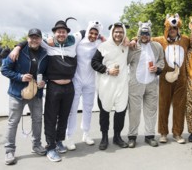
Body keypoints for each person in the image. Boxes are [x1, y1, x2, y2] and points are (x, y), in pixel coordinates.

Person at [11, 17, 82, 162]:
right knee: (51, 117)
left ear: (67, 33)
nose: (61, 34)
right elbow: (32, 40)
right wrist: (18, 46)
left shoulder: (73, 42)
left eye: (63, 32)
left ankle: (59, 141)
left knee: (64, 116)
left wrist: (101, 36)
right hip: (54, 87)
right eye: (58, 32)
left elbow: (86, 31)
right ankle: (50, 147)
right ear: (54, 33)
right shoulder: (47, 45)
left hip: (69, 87)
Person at [130, 14, 190, 144]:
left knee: (179, 107)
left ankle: (177, 133)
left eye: (175, 28)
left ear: (178, 29)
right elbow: (145, 36)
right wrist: (134, 39)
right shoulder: (160, 40)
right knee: (163, 106)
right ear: (167, 29)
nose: (172, 30)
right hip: (164, 77)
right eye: (170, 28)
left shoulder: (185, 40)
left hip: (181, 78)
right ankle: (163, 133)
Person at [1, 28, 48, 165]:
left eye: (37, 37)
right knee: (13, 122)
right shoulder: (18, 51)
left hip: (36, 93)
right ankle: (9, 150)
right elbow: (4, 69)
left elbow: (47, 73)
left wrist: (44, 80)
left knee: (37, 120)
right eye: (31, 37)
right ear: (27, 38)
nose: (34, 40)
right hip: (17, 93)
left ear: (40, 39)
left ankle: (36, 145)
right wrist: (20, 77)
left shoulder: (45, 54)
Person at [65, 21, 103, 150]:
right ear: (87, 32)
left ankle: (86, 134)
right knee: (73, 109)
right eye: (91, 33)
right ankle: (69, 137)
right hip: (77, 80)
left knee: (88, 108)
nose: (93, 35)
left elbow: (111, 42)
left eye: (95, 34)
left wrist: (103, 37)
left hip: (91, 81)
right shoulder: (78, 42)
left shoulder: (99, 43)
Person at [91, 22, 130, 150]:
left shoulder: (127, 45)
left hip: (122, 85)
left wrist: (133, 40)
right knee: (104, 112)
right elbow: (94, 62)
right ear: (112, 32)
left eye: (121, 32)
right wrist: (107, 70)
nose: (118, 34)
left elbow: (139, 40)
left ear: (124, 33)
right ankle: (104, 137)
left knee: (120, 112)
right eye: (116, 31)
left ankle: (117, 137)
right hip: (106, 85)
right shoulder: (103, 46)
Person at [127, 21, 164, 148]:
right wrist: (132, 42)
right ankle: (132, 136)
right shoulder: (133, 46)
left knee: (151, 111)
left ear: (150, 34)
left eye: (147, 34)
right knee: (134, 111)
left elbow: (161, 60)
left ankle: (149, 136)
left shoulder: (157, 46)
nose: (145, 36)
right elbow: (125, 60)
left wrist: (158, 69)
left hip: (152, 83)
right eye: (142, 33)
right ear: (139, 34)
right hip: (135, 83)